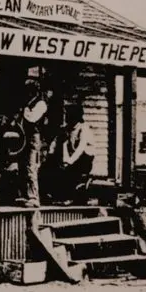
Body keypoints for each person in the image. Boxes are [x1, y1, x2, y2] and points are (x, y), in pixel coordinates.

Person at [43, 104, 96, 204]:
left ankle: (69, 197)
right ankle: (53, 195)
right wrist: (51, 154)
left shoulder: (83, 129)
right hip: (71, 159)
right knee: (50, 167)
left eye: (69, 115)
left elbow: (80, 148)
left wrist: (69, 162)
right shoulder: (66, 129)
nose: (67, 118)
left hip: (84, 160)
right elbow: (58, 142)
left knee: (72, 171)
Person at [19, 78, 49, 208]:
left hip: (34, 137)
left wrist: (24, 109)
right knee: (22, 166)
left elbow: (32, 118)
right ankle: (25, 194)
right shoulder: (29, 102)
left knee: (31, 166)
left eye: (29, 90)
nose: (27, 93)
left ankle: (34, 197)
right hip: (24, 136)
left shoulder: (41, 103)